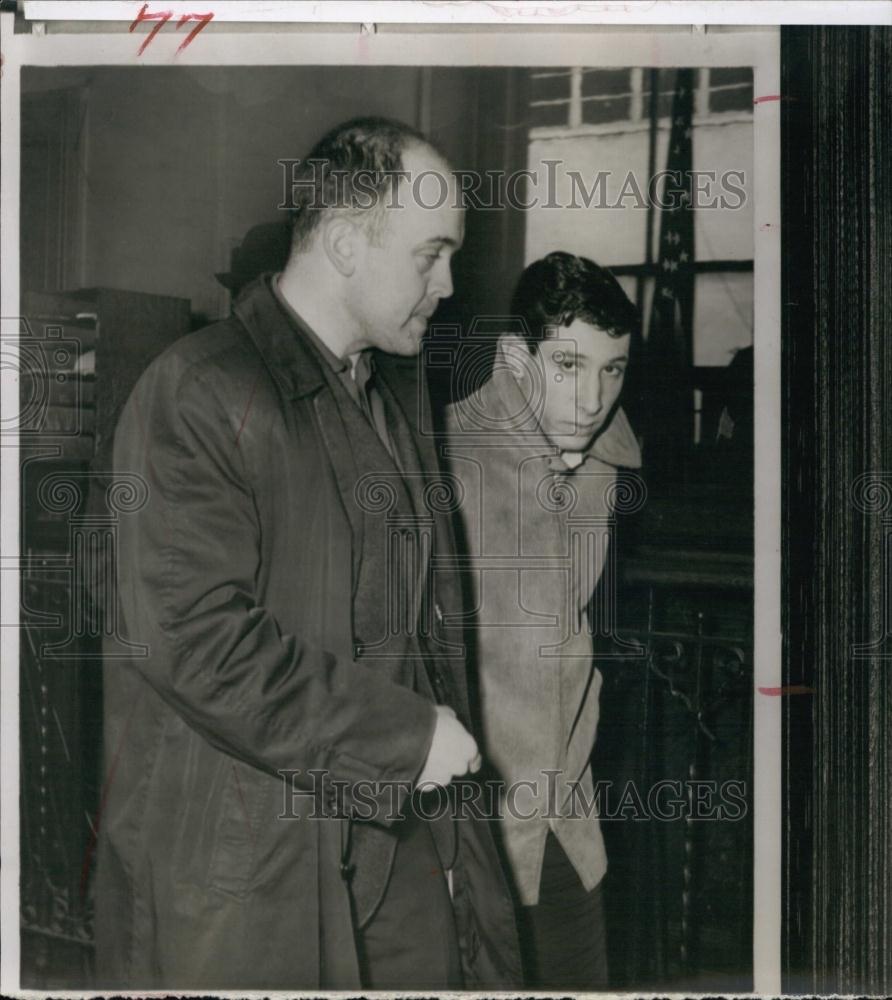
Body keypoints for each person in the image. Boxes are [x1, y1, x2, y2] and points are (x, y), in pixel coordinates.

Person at [93, 117, 521, 991]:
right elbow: (198, 641)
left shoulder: (390, 389)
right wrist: (404, 738)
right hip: (253, 851)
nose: (447, 285)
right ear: (344, 242)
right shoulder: (203, 388)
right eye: (429, 254)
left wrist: (441, 812)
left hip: (394, 831)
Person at [443, 251, 643, 989]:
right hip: (467, 834)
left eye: (613, 370)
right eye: (567, 365)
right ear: (514, 358)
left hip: (567, 825)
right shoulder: (438, 464)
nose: (592, 399)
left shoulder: (601, 468)